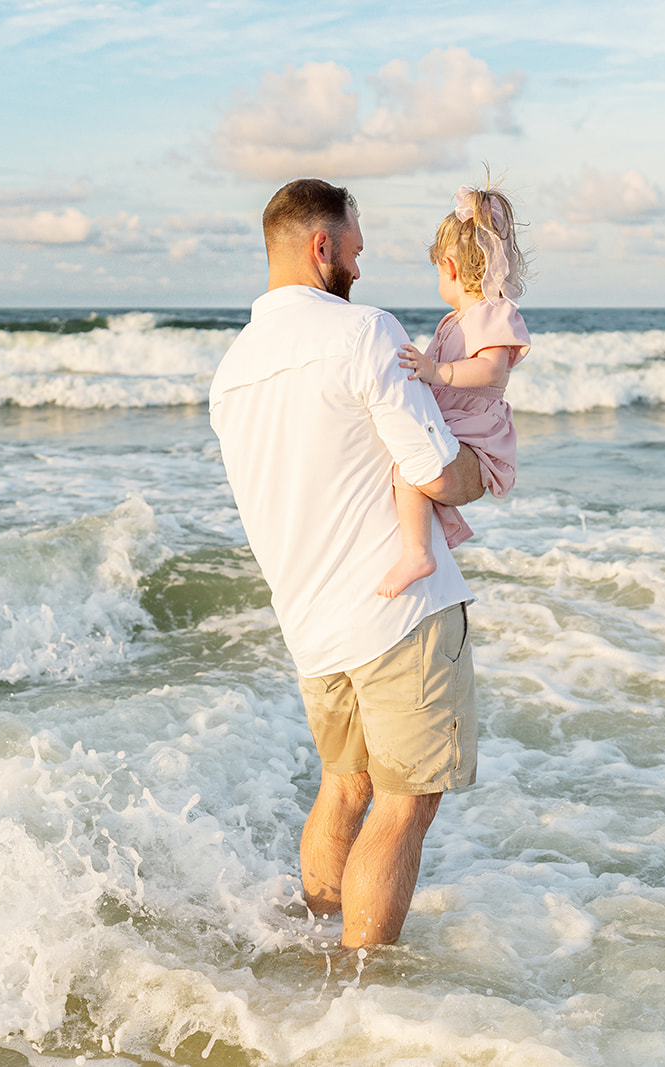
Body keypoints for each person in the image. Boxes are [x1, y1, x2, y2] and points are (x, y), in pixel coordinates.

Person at [208, 178, 485, 949]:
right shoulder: (364, 331)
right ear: (321, 245)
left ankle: (318, 958)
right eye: (355, 251)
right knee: (405, 802)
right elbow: (433, 469)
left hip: (312, 627)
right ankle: (362, 986)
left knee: (343, 786)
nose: (359, 269)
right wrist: (487, 470)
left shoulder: (231, 372)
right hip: (398, 614)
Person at [377, 184, 532, 597]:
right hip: (456, 428)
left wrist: (436, 371)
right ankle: (419, 549)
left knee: (411, 467)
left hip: (476, 436)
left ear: (448, 267)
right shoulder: (455, 321)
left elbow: (492, 369)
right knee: (404, 462)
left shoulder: (493, 312)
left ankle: (418, 555)